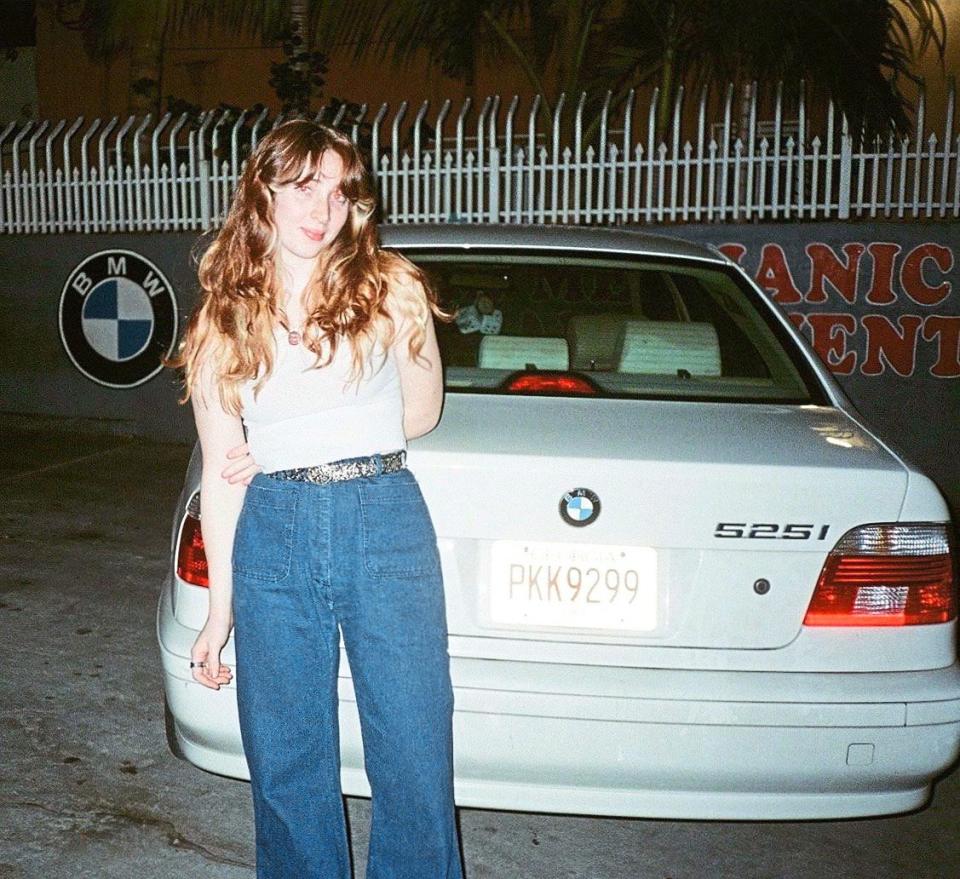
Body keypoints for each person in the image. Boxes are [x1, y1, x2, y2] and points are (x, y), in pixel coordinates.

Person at [168, 119, 463, 879]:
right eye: (303, 185)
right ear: (261, 191)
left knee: (414, 747)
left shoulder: (392, 286)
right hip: (274, 529)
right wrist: (217, 613)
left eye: (337, 189)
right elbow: (223, 478)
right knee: (286, 757)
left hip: (383, 517)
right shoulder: (220, 321)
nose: (322, 206)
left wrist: (313, 433)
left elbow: (422, 412)